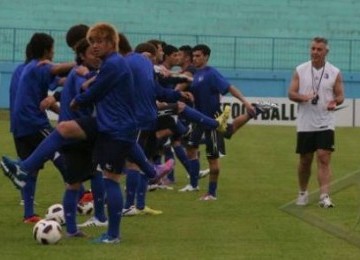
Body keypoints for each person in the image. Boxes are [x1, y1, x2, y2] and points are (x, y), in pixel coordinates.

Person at [288, 37, 344, 208]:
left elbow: (340, 95)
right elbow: (291, 93)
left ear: (326, 51)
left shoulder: (334, 72)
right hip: (306, 123)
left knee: (323, 157)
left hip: (326, 122)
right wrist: (303, 97)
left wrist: (335, 102)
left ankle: (324, 196)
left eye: (319, 49)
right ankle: (303, 192)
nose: (315, 52)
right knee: (305, 160)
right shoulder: (300, 70)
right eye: (313, 48)